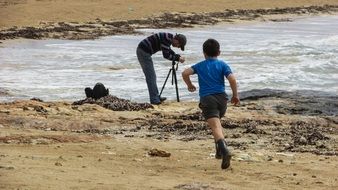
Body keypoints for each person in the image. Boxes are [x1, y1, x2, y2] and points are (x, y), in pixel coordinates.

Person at [182, 38, 240, 169]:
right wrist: (235, 95)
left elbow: (185, 73)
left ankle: (225, 150)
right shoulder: (223, 65)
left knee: (215, 127)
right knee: (217, 124)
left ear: (204, 53)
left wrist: (190, 85)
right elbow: (232, 79)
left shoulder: (200, 65)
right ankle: (219, 152)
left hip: (208, 99)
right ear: (219, 52)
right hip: (222, 98)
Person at [136, 32, 186, 105]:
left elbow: (168, 50)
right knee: (151, 76)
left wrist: (176, 56)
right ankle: (154, 100)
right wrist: (177, 59)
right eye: (179, 45)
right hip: (143, 52)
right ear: (176, 40)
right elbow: (166, 55)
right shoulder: (167, 39)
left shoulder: (168, 38)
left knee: (152, 76)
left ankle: (156, 97)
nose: (178, 47)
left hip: (144, 51)